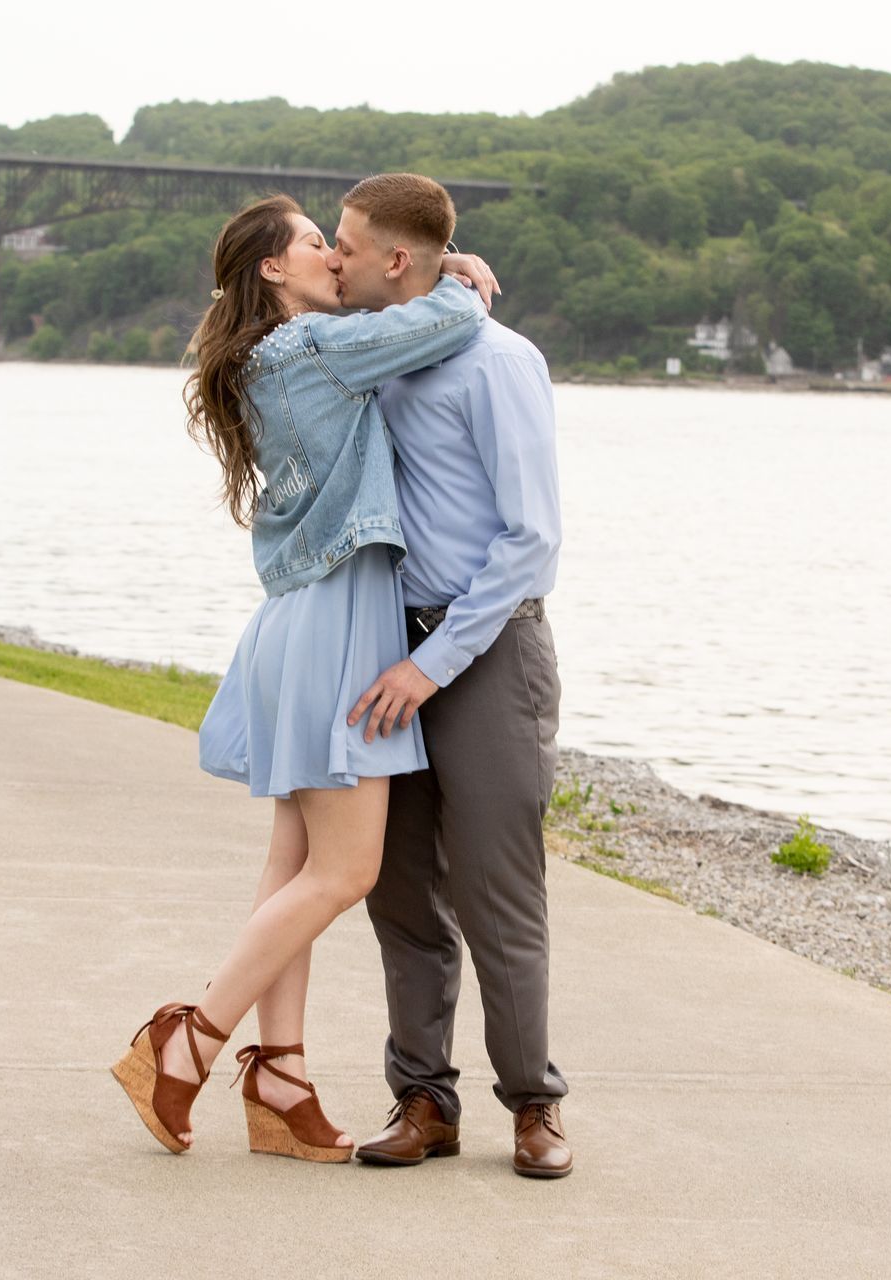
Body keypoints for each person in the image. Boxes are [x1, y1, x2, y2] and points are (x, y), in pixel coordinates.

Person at [110, 192, 498, 1164]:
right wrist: (458, 272)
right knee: (346, 869)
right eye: (318, 244)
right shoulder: (313, 352)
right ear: (275, 271)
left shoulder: (267, 360)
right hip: (337, 623)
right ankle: (188, 1038)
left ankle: (280, 1076)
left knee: (292, 864)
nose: (335, 257)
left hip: (299, 619)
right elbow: (445, 318)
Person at [326, 174, 572, 1179]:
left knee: (496, 894)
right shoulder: (374, 349)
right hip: (387, 650)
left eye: (346, 243)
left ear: (396, 259)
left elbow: (530, 540)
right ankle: (424, 1098)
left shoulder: (500, 362)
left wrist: (431, 667)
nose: (333, 256)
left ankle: (535, 1106)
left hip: (486, 653)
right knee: (398, 892)